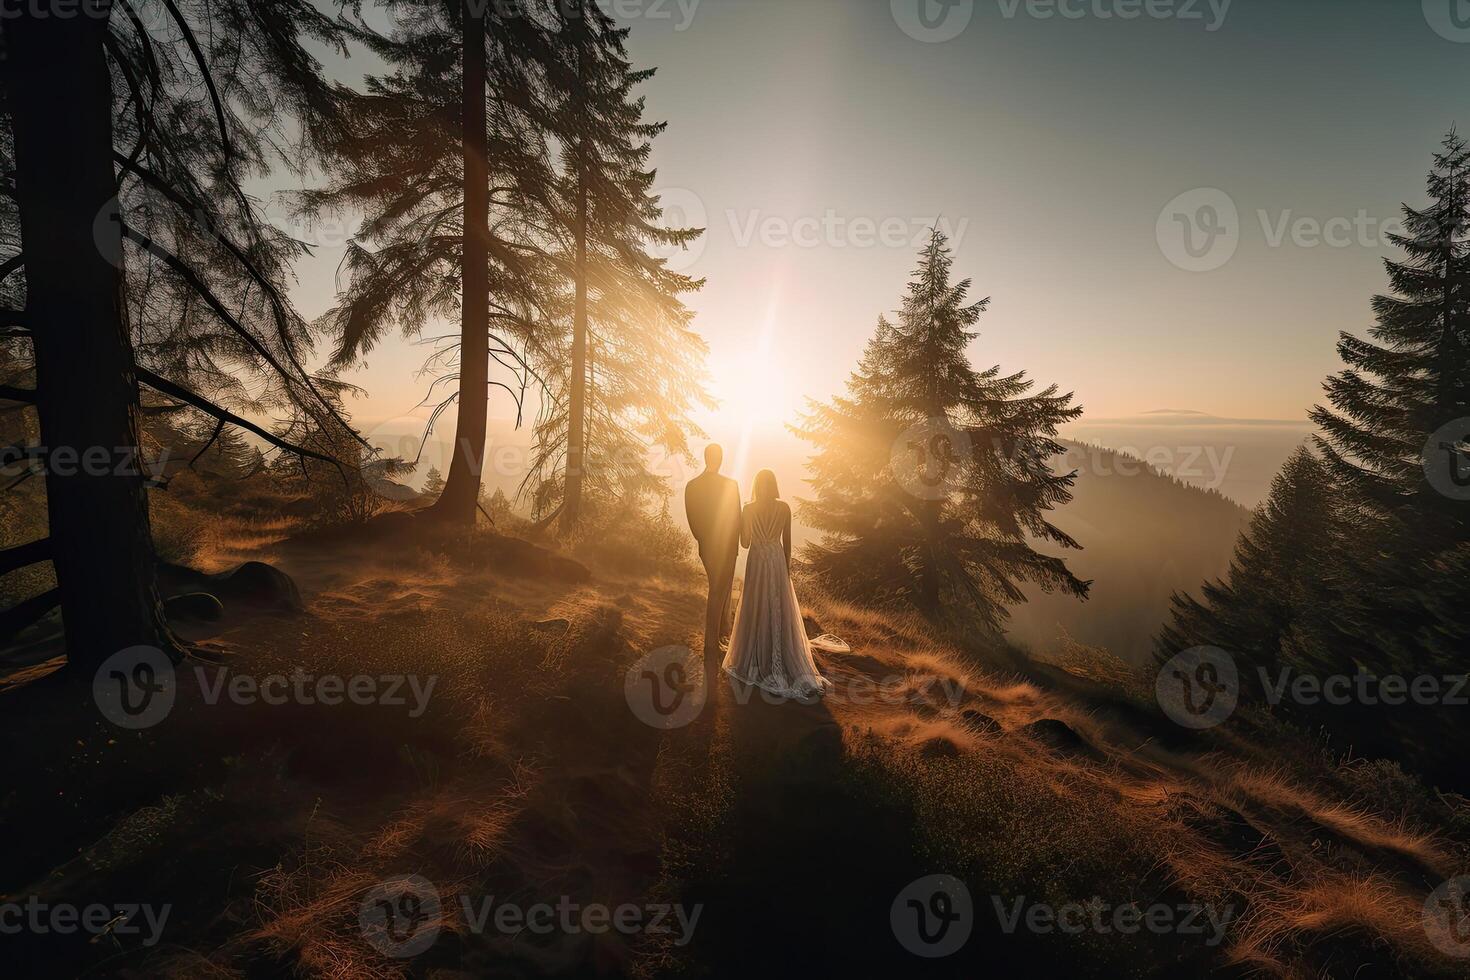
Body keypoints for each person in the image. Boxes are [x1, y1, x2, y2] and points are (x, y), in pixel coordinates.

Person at [722, 469, 831, 698]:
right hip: (777, 558)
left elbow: (744, 543)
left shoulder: (749, 509)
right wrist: (786, 570)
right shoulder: (784, 508)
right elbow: (788, 543)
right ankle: (778, 651)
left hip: (758, 559)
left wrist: (738, 521)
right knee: (778, 607)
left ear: (756, 485)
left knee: (756, 605)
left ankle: (756, 656)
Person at [684, 444, 741, 665]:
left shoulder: (692, 486)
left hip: (707, 547)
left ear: (705, 457)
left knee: (718, 589)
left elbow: (693, 520)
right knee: (719, 590)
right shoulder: (730, 485)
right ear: (720, 458)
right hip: (726, 547)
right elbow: (736, 518)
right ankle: (712, 642)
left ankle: (719, 636)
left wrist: (704, 540)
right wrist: (734, 545)